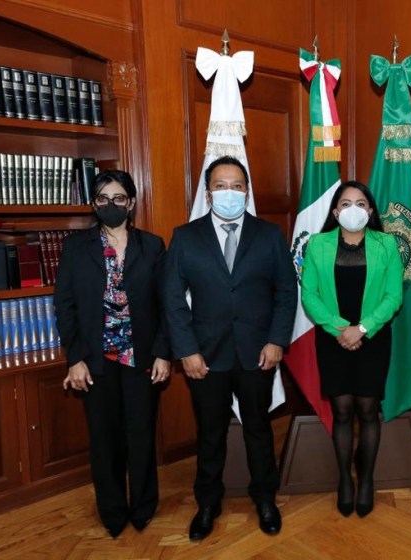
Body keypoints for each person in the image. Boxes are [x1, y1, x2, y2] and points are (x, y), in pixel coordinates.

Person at [163, 155, 297, 541]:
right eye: (220, 186)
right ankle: (208, 504)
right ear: (208, 194)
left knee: (259, 429)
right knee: (210, 434)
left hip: (258, 353)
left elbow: (286, 292)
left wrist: (277, 341)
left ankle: (265, 499)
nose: (229, 192)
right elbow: (172, 299)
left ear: (247, 191)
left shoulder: (269, 235)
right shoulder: (185, 237)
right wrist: (186, 351)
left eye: (237, 186)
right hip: (205, 357)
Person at [54, 169, 171, 538]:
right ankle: (113, 512)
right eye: (102, 199)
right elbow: (65, 306)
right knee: (104, 440)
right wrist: (75, 359)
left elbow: (168, 304)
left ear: (131, 202)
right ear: (94, 204)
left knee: (141, 435)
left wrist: (164, 353)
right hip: (95, 361)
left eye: (118, 198)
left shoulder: (152, 246)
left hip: (141, 360)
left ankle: (143, 507)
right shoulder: (76, 247)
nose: (110, 205)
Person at [300, 181, 404, 518]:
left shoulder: (387, 244)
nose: (353, 209)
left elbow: (393, 296)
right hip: (333, 340)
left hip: (373, 338)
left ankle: (367, 479)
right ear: (335, 212)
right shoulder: (317, 245)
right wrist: (339, 329)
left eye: (361, 203)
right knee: (342, 409)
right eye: (346, 204)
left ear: (370, 211)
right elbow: (309, 295)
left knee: (368, 408)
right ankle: (345, 478)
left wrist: (361, 328)